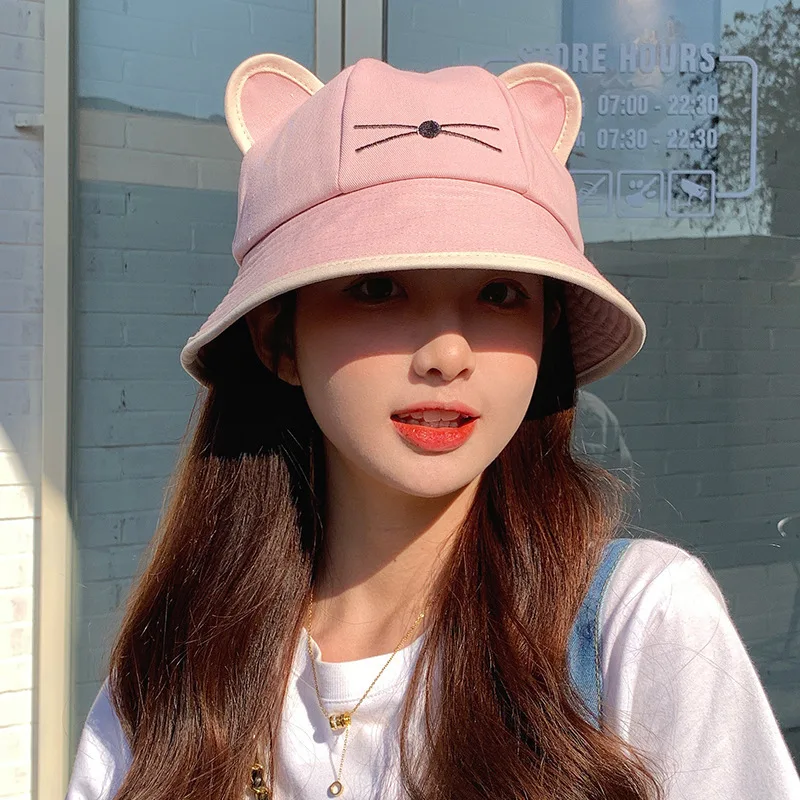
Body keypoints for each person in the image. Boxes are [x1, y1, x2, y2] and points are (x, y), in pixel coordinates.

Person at [65, 53, 800, 800]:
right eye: (378, 287)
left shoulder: (634, 631)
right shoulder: (173, 679)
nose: (448, 354)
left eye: (500, 293)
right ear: (278, 338)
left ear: (546, 331)